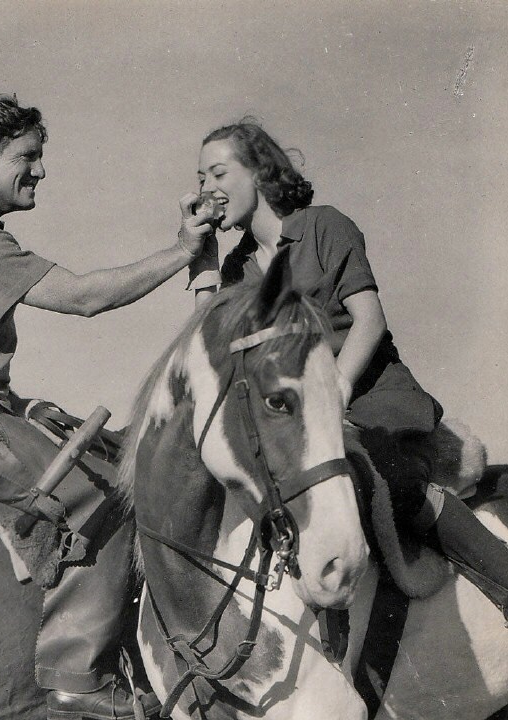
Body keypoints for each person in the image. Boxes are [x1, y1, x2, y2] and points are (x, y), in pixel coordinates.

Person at [0, 93, 213, 720]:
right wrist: (184, 251)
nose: (41, 171)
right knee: (105, 497)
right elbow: (82, 298)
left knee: (95, 449)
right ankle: (75, 676)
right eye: (28, 156)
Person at [189, 116, 508, 620]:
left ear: (257, 171)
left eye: (217, 174)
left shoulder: (324, 226)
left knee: (390, 480)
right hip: (308, 424)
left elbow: (369, 320)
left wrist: (336, 386)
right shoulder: (240, 268)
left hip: (374, 403)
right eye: (201, 179)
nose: (206, 188)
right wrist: (203, 261)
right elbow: (210, 346)